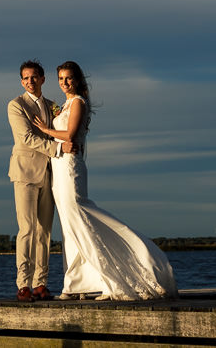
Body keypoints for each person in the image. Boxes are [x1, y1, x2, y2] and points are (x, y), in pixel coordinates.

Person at [29, 61, 176, 300]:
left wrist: (46, 131)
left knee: (83, 219)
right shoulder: (64, 105)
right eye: (61, 79)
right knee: (70, 226)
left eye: (68, 78)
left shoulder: (78, 102)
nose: (64, 83)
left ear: (77, 80)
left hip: (70, 168)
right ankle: (76, 284)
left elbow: (70, 135)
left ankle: (114, 279)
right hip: (58, 169)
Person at [8, 60, 73, 301]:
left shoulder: (52, 106)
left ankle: (40, 284)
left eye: (34, 77)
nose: (29, 82)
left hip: (49, 174)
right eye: (25, 78)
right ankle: (23, 285)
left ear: (43, 79)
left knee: (45, 231)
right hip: (25, 173)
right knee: (27, 229)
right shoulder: (16, 105)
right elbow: (25, 138)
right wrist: (58, 148)